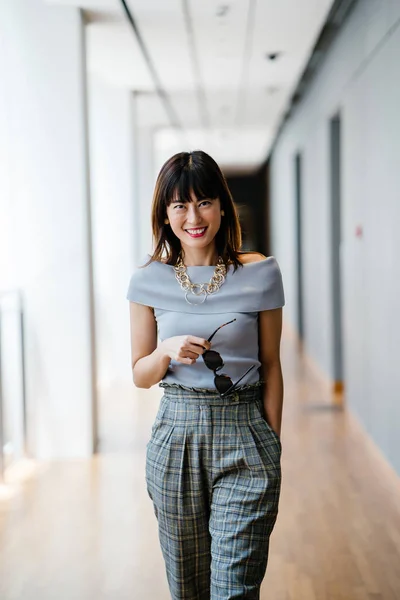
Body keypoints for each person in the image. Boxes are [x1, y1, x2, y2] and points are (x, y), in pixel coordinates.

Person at [126, 150, 285, 600]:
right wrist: (165, 351)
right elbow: (140, 374)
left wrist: (272, 444)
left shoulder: (260, 273)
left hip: (246, 434)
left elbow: (271, 365)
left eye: (204, 202)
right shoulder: (147, 281)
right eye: (180, 205)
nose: (193, 217)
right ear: (165, 214)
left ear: (222, 206)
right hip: (175, 437)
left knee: (235, 587)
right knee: (188, 587)